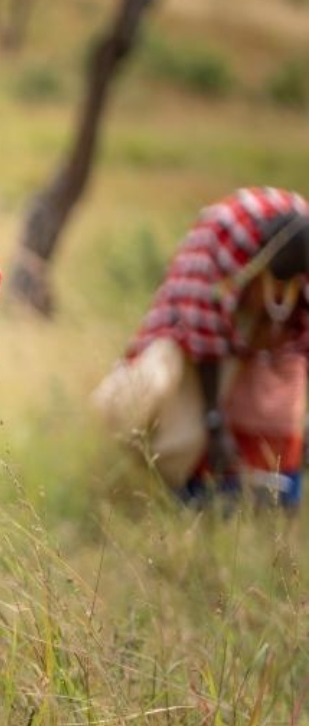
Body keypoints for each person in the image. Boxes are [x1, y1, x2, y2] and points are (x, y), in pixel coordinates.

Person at [112, 187, 308, 508]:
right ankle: (189, 493)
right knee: (189, 419)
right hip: (200, 336)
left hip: (268, 331)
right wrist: (214, 422)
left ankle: (273, 495)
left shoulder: (301, 251)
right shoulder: (221, 243)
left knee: (274, 407)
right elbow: (203, 336)